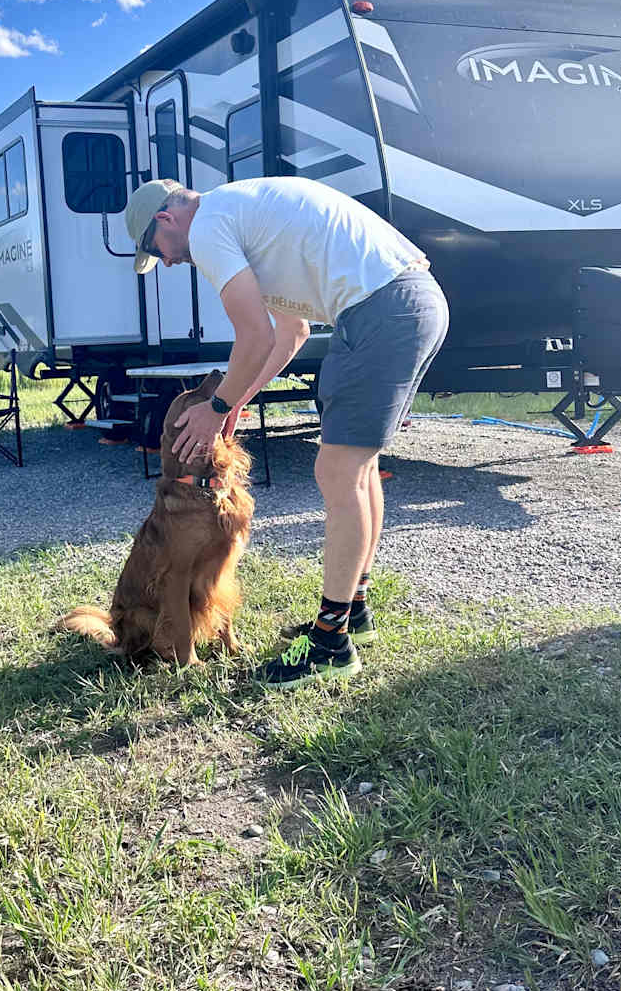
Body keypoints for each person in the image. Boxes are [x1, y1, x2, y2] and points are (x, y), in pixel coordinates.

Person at [122, 174, 449, 688]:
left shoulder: (208, 227)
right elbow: (288, 332)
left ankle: (328, 646)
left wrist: (217, 406)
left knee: (338, 470)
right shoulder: (243, 216)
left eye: (154, 248)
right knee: (357, 470)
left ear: (165, 219)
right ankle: (352, 615)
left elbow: (251, 335)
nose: (165, 261)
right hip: (405, 302)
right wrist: (237, 402)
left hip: (380, 309)